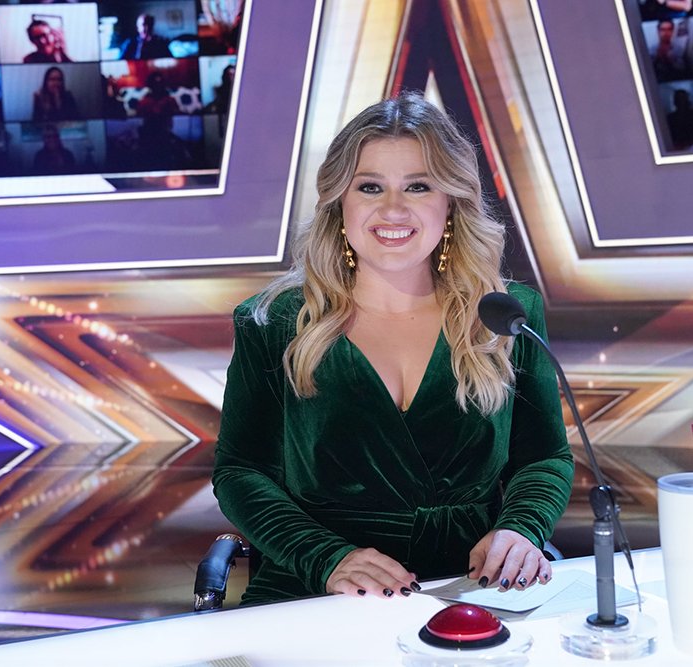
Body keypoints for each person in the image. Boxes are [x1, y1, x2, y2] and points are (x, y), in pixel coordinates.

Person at [211, 91, 574, 605]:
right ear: (340, 201)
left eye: (419, 186)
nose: (393, 209)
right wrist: (325, 556)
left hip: (473, 582)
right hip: (316, 586)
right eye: (370, 186)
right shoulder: (273, 323)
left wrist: (522, 528)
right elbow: (239, 472)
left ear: (451, 201)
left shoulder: (506, 314)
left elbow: (544, 457)